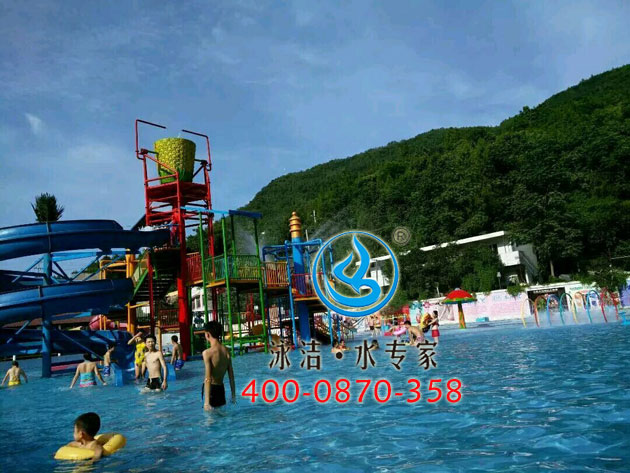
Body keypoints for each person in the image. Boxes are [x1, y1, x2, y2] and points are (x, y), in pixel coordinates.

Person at [202, 321, 235, 410]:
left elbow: (208, 379)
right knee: (222, 415)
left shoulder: (207, 353)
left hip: (211, 390)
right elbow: (231, 376)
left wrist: (206, 403)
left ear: (207, 334)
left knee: (210, 417)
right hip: (221, 389)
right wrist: (233, 395)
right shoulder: (227, 351)